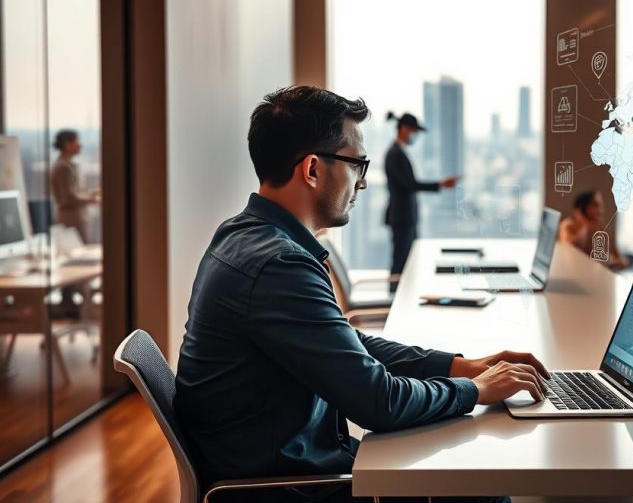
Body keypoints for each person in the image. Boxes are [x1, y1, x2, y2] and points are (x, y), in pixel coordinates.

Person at [175, 86, 547, 503]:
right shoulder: (279, 265)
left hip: (289, 466)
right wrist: (476, 390)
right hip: (293, 487)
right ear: (313, 169)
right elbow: (378, 402)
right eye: (357, 165)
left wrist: (461, 366)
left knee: (462, 463)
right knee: (480, 486)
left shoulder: (244, 236)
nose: (363, 182)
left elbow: (346, 343)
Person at [384, 111, 458, 283]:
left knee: (406, 260)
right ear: (403, 129)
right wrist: (440, 184)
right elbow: (410, 184)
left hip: (406, 216)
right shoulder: (395, 154)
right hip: (402, 216)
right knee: (400, 261)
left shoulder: (399, 152)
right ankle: (393, 302)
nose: (415, 135)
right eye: (413, 131)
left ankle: (398, 299)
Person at [557, 190, 630, 270]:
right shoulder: (568, 225)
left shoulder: (601, 228)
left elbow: (619, 258)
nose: (600, 209)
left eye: (600, 205)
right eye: (595, 205)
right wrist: (586, 225)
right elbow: (569, 247)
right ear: (583, 208)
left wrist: (616, 262)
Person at [50, 129, 99, 243]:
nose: (80, 145)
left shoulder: (68, 165)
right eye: (77, 142)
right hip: (72, 219)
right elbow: (69, 197)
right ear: (68, 145)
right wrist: (93, 199)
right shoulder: (63, 167)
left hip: (76, 217)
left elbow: (76, 191)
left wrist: (93, 193)